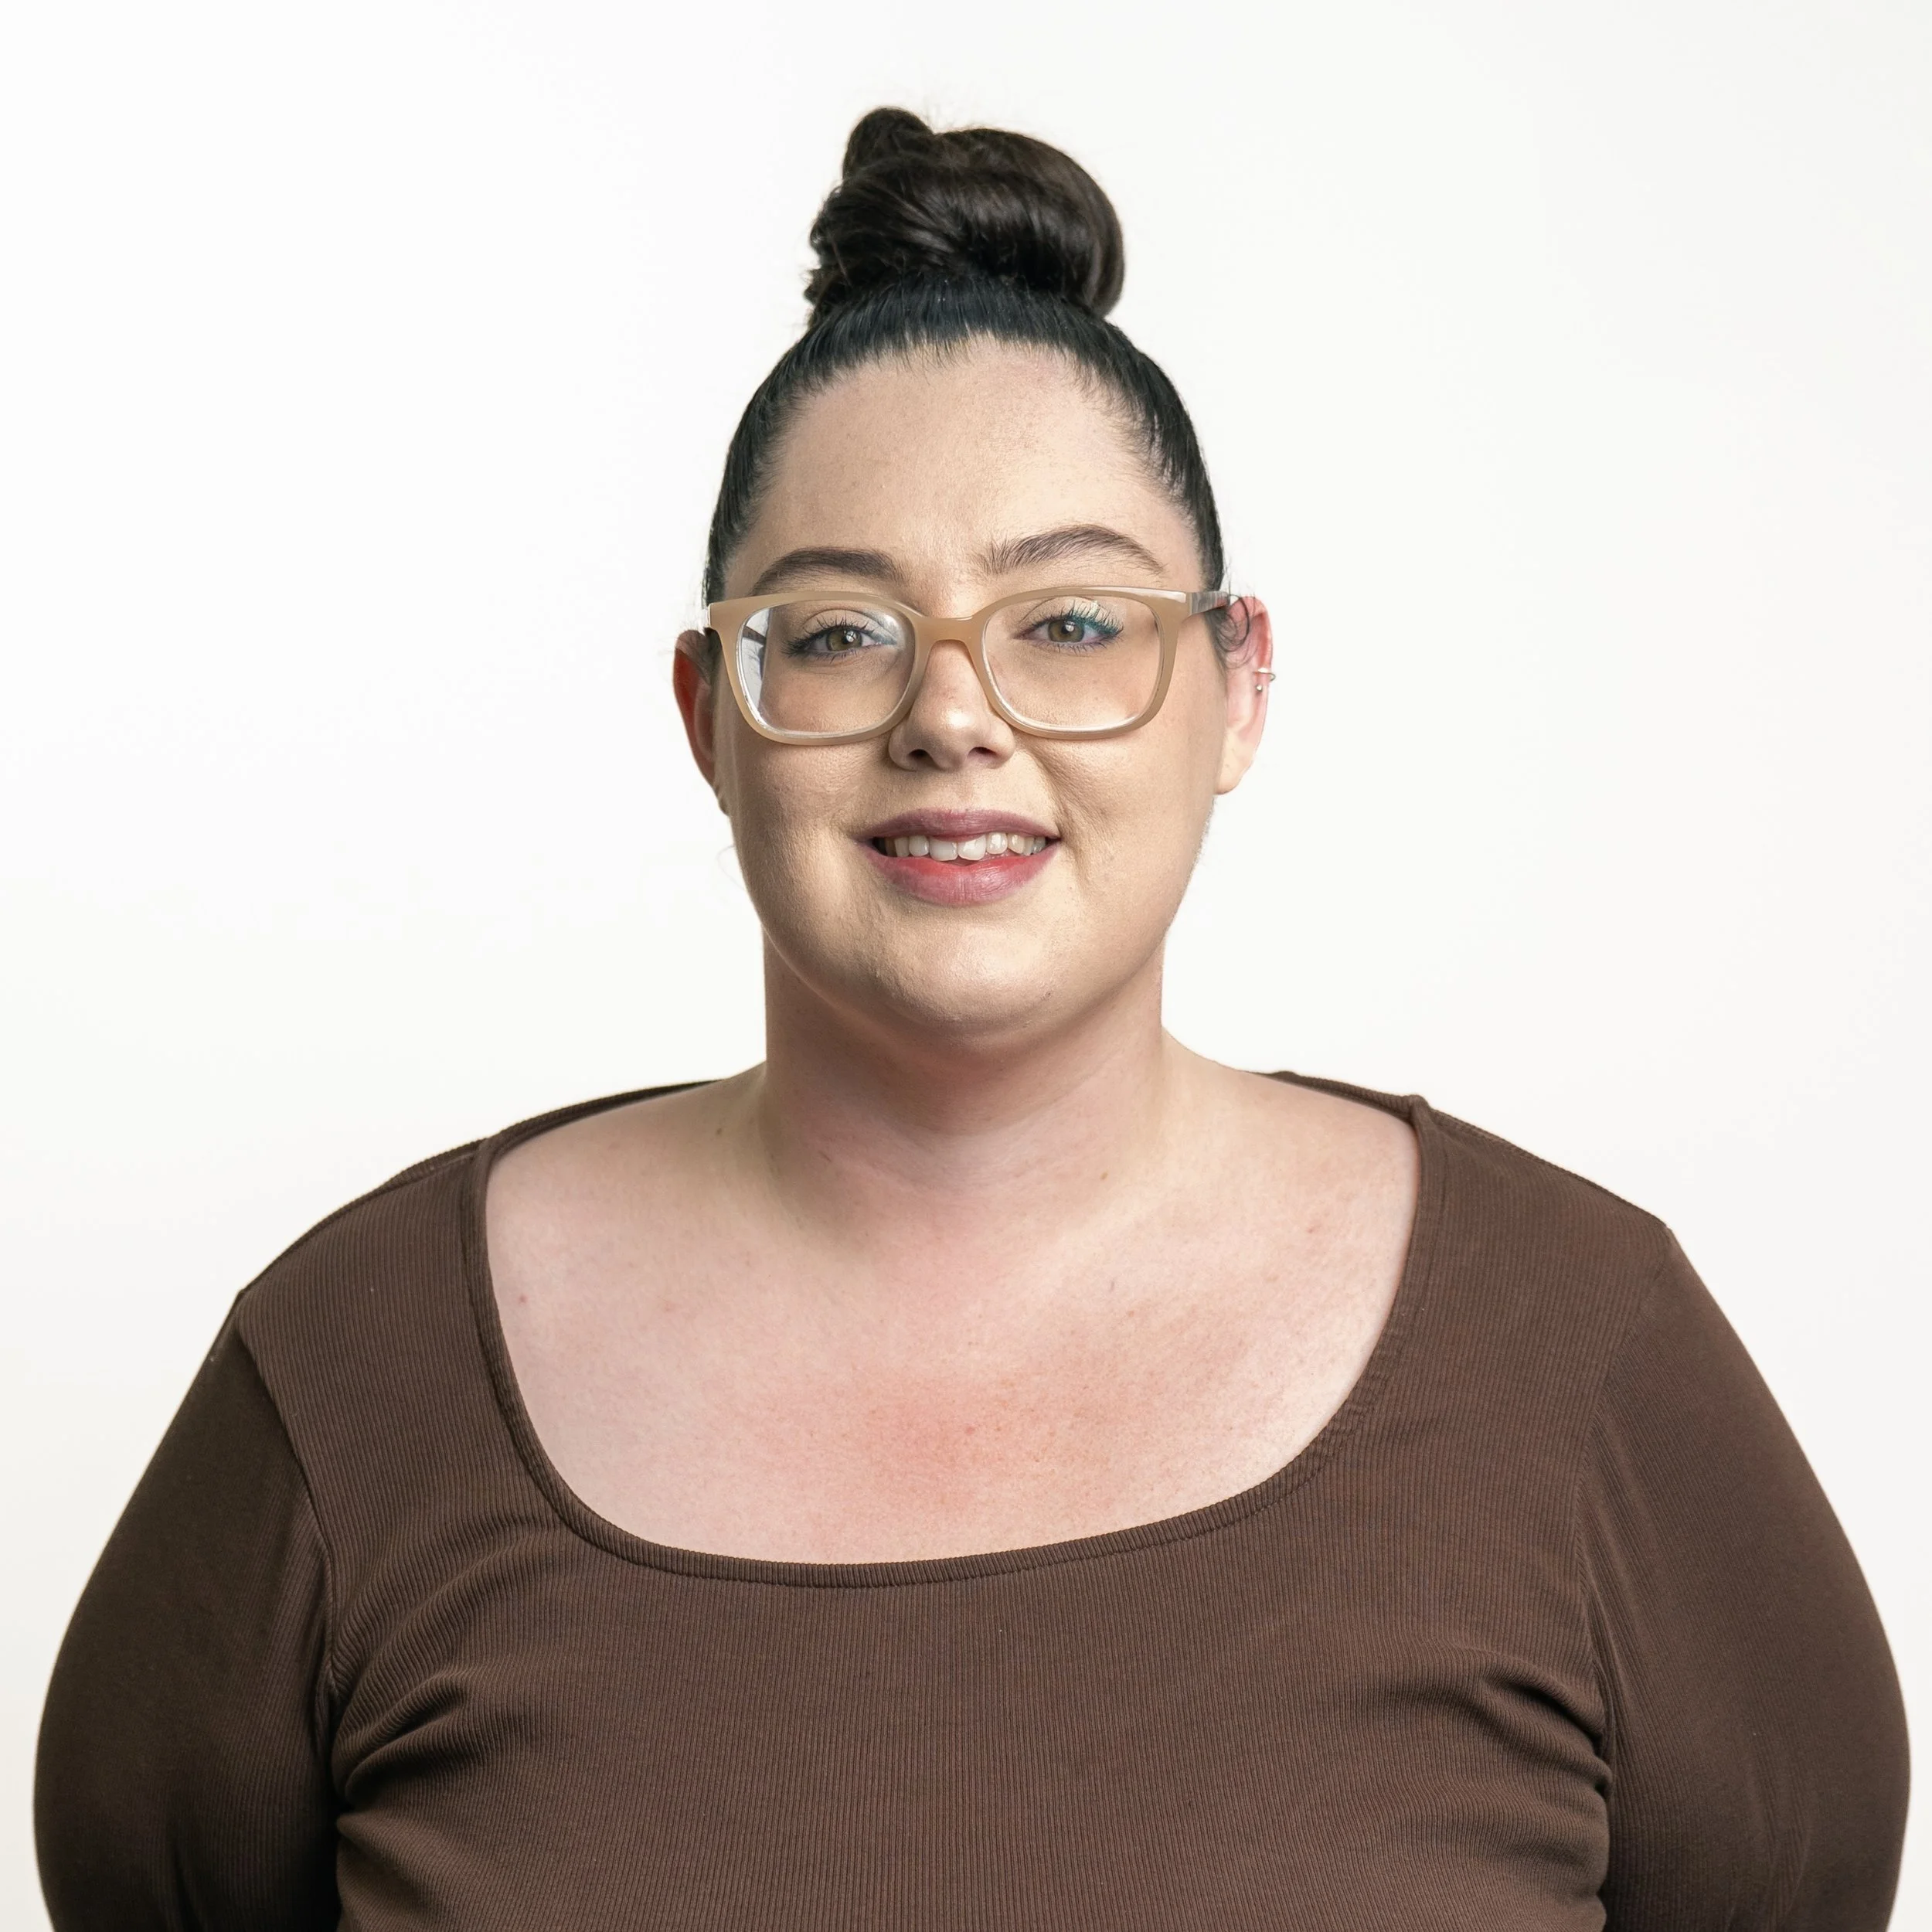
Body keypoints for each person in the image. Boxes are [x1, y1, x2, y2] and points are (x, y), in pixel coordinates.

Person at [35, 107, 1907, 1930]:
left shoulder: (1578, 1350)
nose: (954, 714)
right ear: (707, 712)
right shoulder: (351, 1379)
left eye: (1070, 623)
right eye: (839, 631)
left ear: (1234, 684)